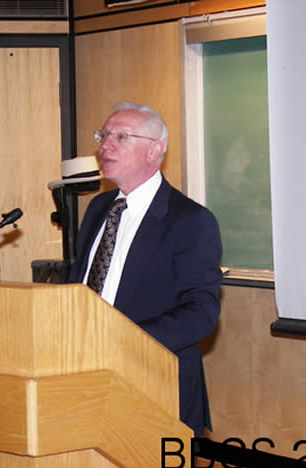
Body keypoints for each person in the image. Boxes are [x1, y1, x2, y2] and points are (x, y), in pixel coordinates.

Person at [68, 102, 223, 436]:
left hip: (158, 389)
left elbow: (201, 313)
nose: (105, 146)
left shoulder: (190, 221)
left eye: (121, 137)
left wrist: (122, 339)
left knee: (165, 465)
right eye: (104, 135)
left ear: (155, 150)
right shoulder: (97, 209)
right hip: (90, 379)